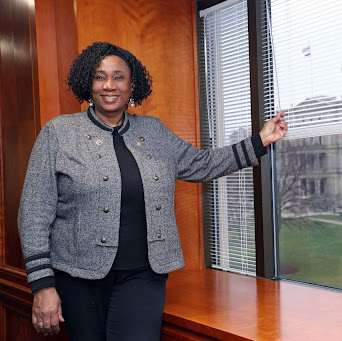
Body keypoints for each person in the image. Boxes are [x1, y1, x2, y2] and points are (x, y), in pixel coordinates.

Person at [17, 41, 287, 340]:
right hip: (78, 277)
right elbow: (34, 212)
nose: (110, 85)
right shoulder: (58, 132)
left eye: (119, 77)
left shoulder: (154, 131)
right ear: (88, 83)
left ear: (132, 86)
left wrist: (259, 141)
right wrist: (42, 285)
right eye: (100, 76)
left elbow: (200, 164)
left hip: (144, 275)